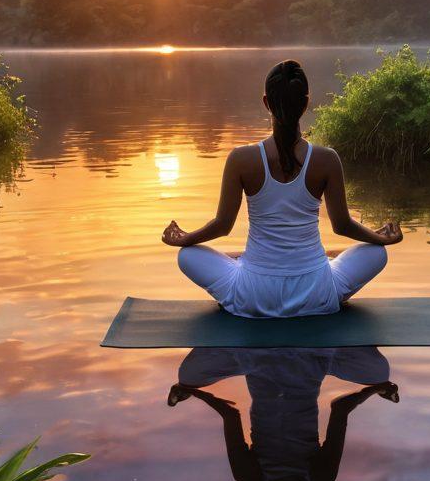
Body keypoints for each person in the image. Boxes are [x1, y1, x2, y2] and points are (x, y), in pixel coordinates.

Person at [162, 59, 402, 318]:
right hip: (316, 294)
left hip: (253, 295)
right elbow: (342, 225)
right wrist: (381, 238)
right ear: (306, 103)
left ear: (266, 103)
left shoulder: (241, 159)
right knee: (377, 253)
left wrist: (185, 239)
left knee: (187, 256)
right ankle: (298, 269)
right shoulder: (327, 159)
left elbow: (223, 226)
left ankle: (240, 264)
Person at [168, 346, 398, 481]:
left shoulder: (320, 476)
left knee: (379, 373)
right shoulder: (248, 475)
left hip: (302, 361)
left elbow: (340, 408)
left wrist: (376, 388)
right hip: (264, 360)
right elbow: (230, 414)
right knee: (187, 376)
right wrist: (193, 391)